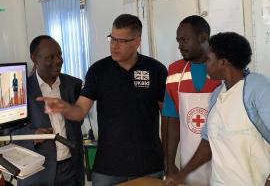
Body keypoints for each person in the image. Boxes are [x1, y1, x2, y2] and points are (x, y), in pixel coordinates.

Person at [38, 14, 168, 186]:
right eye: (112, 39)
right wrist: (65, 107)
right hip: (108, 167)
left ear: (137, 41)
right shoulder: (98, 70)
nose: (114, 46)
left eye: (121, 41)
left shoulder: (156, 70)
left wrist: (168, 157)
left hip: (148, 164)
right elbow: (80, 111)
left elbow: (167, 118)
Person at [166, 32, 270, 186]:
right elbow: (207, 143)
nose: (204, 64)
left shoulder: (256, 87)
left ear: (223, 62)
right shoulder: (217, 94)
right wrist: (182, 174)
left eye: (208, 59)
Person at [16, 35, 85, 186]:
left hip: (71, 170)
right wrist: (32, 136)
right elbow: (9, 134)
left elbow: (79, 119)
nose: (58, 61)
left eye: (60, 55)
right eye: (50, 57)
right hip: (37, 173)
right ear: (34, 58)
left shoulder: (73, 84)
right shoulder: (22, 90)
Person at [161, 15, 220, 186]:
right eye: (178, 41)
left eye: (184, 40)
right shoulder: (174, 71)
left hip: (223, 164)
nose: (180, 46)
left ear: (203, 38)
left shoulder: (224, 68)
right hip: (188, 166)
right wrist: (169, 164)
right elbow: (171, 121)